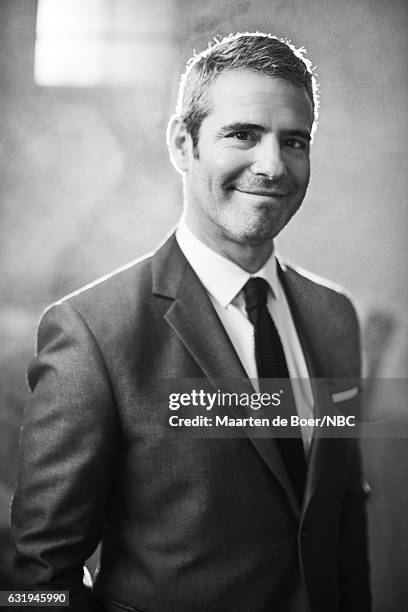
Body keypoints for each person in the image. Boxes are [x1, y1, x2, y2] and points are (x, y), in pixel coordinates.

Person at [11, 32, 371, 612]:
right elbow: (35, 582)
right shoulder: (91, 331)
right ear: (183, 143)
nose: (273, 164)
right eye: (243, 135)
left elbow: (342, 518)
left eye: (295, 141)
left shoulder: (336, 317)